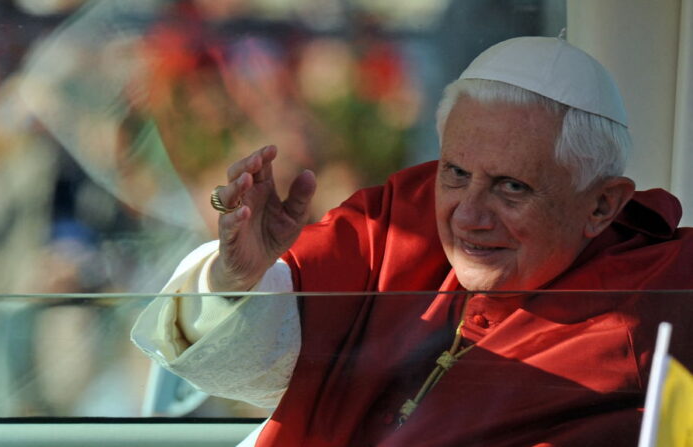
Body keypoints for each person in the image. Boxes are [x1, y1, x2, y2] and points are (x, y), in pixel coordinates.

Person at [132, 36, 693, 446]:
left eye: (511, 186)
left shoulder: (662, 293)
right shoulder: (401, 216)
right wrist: (238, 279)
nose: (468, 216)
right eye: (455, 172)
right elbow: (250, 370)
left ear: (601, 204)